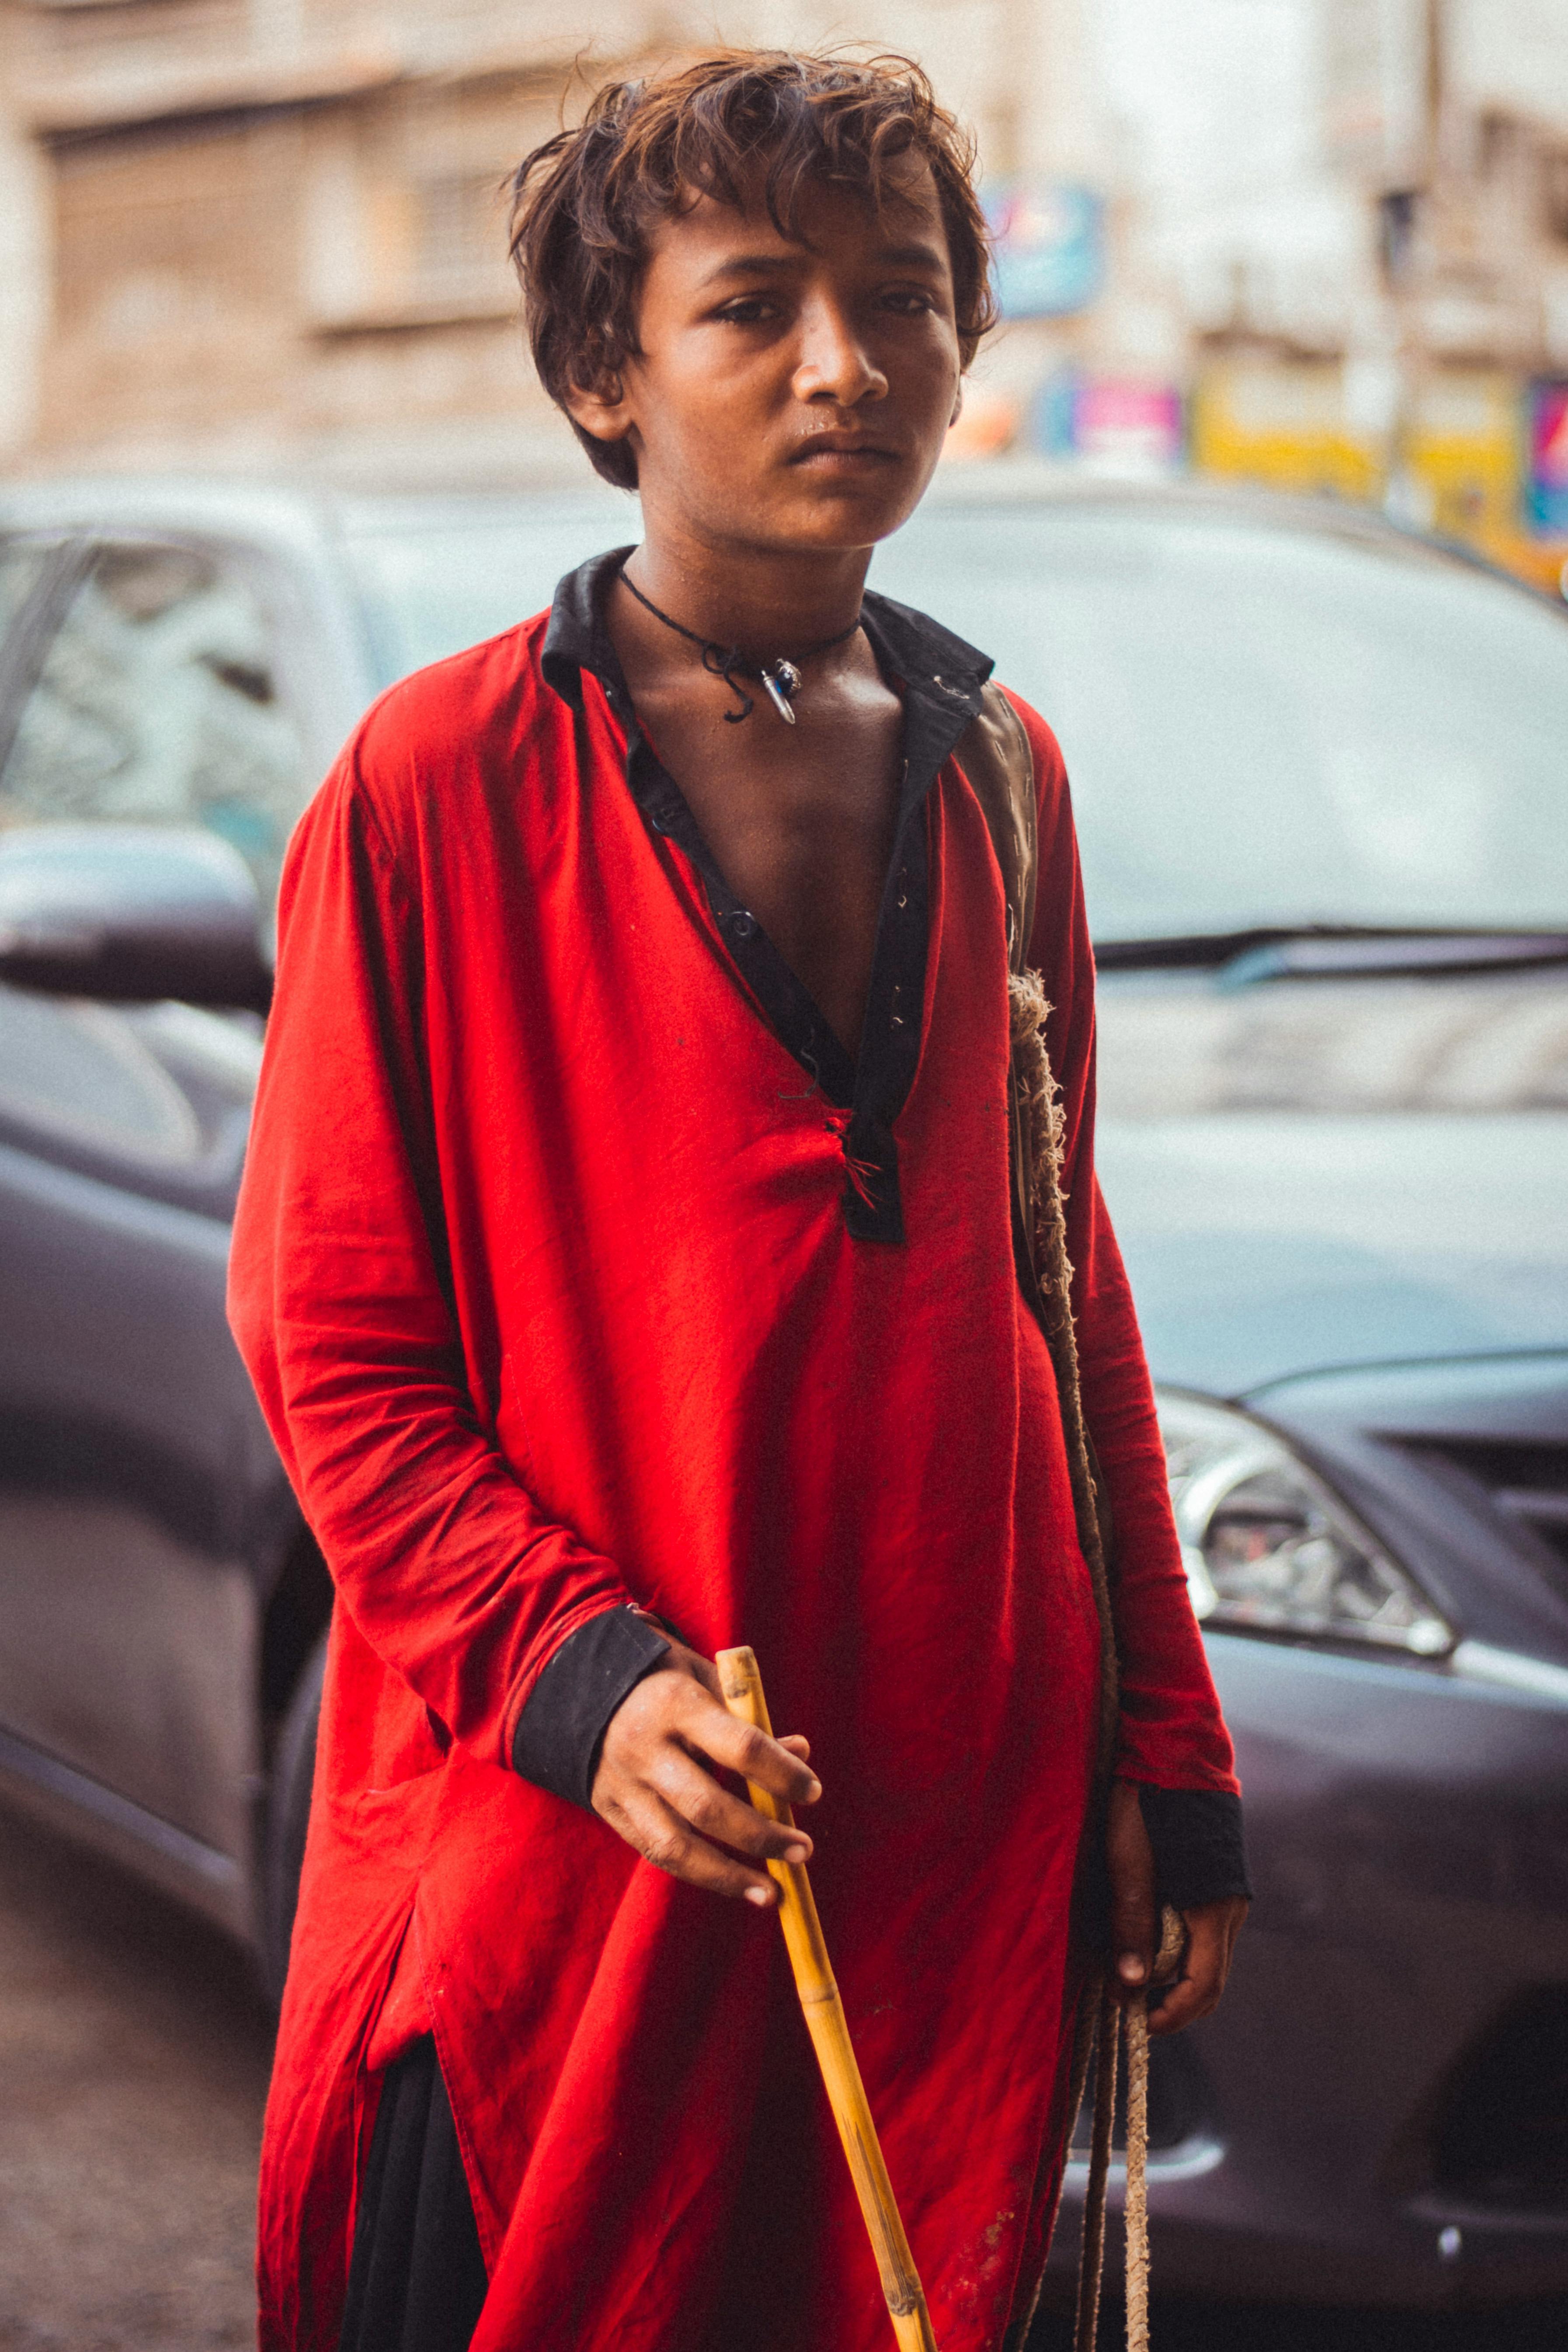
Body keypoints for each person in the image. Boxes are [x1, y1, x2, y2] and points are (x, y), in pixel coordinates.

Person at [229, 50, 1249, 2352]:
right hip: (584, 1841)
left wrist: (1164, 1752)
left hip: (944, 1838)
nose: (843, 365)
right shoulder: (435, 785)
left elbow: (1055, 1280)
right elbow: (337, 1352)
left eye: (902, 303)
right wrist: (583, 1685)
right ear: (606, 364)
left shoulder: (1000, 766)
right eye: (752, 303)